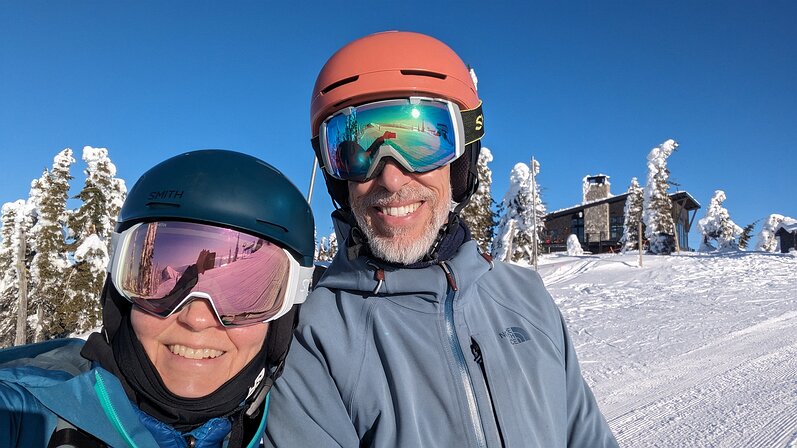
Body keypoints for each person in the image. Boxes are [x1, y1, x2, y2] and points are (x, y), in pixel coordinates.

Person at [265, 31, 619, 447]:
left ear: (462, 160)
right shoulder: (315, 335)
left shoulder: (525, 297)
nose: (391, 176)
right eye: (357, 149)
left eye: (421, 141)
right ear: (335, 174)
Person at [0, 149, 315, 447]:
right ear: (120, 298)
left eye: (240, 299)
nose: (196, 319)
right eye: (150, 284)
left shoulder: (300, 426)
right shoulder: (28, 415)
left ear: (282, 322)